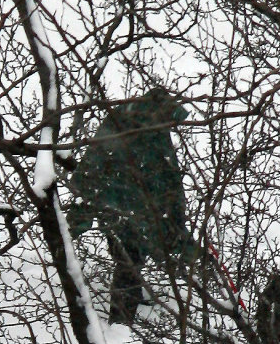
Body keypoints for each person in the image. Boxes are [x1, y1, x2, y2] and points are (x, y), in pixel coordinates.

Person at [68, 88, 197, 324]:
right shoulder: (145, 130)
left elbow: (166, 178)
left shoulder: (139, 125)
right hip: (125, 207)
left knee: (130, 259)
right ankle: (120, 322)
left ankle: (130, 302)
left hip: (121, 205)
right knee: (129, 261)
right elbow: (168, 181)